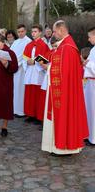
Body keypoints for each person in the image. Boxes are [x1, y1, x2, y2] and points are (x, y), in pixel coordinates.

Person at [41, 20, 88, 155]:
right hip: (63, 89)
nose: (53, 34)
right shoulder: (65, 46)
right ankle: (60, 146)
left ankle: (63, 148)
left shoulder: (67, 48)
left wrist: (47, 67)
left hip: (64, 92)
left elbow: (61, 72)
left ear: (61, 30)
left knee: (64, 116)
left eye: (55, 31)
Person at [23, 24, 50, 125]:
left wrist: (35, 62)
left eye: (35, 31)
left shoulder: (44, 45)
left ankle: (39, 116)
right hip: (30, 72)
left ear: (40, 33)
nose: (33, 33)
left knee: (38, 94)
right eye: (32, 31)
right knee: (30, 93)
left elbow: (46, 60)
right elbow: (25, 58)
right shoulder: (29, 45)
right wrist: (27, 62)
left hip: (39, 73)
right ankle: (30, 114)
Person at [10, 24, 32, 117]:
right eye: (18, 32)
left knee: (21, 89)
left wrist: (18, 64)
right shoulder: (16, 42)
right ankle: (15, 109)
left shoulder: (29, 42)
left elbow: (26, 56)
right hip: (14, 67)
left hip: (22, 68)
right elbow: (11, 53)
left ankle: (21, 110)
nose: (20, 33)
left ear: (25, 31)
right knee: (15, 89)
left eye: (22, 31)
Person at [83, 27, 95, 146]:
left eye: (90, 36)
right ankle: (89, 134)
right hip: (90, 84)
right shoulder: (92, 50)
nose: (88, 39)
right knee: (89, 110)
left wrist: (88, 63)